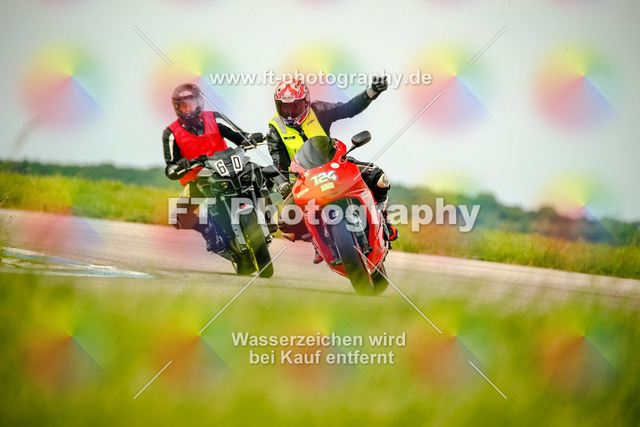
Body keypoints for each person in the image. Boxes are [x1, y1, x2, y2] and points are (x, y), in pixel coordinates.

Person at [266, 76, 398, 263]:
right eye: (284, 108)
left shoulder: (318, 110)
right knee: (287, 222)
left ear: (306, 102)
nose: (289, 113)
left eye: (295, 107)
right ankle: (318, 242)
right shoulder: (274, 129)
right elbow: (278, 161)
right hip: (302, 179)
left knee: (378, 177)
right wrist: (282, 184)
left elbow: (348, 109)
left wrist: (372, 91)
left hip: (333, 164)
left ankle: (384, 218)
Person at [163, 83, 263, 252]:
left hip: (230, 170)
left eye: (192, 104)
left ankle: (265, 216)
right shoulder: (171, 133)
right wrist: (180, 165)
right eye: (183, 106)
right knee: (177, 218)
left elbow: (239, 135)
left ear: (200, 102)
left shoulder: (215, 118)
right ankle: (208, 230)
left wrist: (250, 137)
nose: (188, 109)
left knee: (260, 174)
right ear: (177, 108)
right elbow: (170, 167)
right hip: (199, 179)